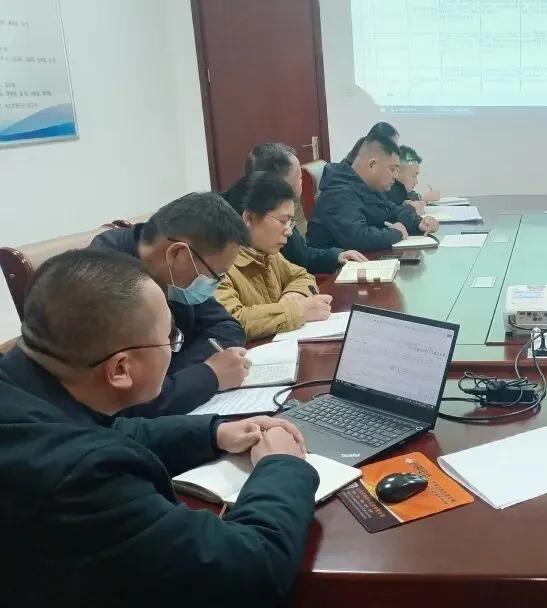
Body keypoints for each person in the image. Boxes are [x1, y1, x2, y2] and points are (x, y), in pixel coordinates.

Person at [0, 249, 318, 607]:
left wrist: (214, 433)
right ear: (121, 369)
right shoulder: (81, 481)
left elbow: (106, 430)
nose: (173, 347)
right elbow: (250, 571)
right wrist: (282, 466)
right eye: (170, 338)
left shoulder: (22, 383)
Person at [90, 193, 251, 417]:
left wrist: (173, 377)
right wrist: (208, 375)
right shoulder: (100, 285)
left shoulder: (175, 276)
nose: (215, 284)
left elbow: (227, 328)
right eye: (215, 275)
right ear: (178, 254)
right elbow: (121, 404)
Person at [219, 172, 333, 340]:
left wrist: (294, 294)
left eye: (291, 222)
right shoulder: (218, 263)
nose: (289, 231)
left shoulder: (267, 253)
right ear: (249, 218)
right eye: (283, 221)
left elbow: (301, 275)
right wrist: (298, 311)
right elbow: (232, 322)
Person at [238, 142, 365, 274]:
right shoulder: (252, 232)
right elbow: (299, 262)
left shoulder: (278, 212)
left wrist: (336, 256)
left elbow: (299, 261)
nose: (288, 232)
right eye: (299, 177)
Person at [308, 134, 440, 252]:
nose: (395, 176)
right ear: (372, 165)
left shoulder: (367, 186)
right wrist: (395, 233)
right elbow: (358, 237)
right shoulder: (338, 192)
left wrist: (419, 223)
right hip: (335, 270)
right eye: (392, 169)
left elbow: (393, 211)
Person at [388, 145, 440, 212]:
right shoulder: (389, 193)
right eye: (413, 176)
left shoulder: (401, 191)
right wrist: (423, 199)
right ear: (397, 171)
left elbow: (411, 195)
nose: (416, 182)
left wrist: (421, 198)